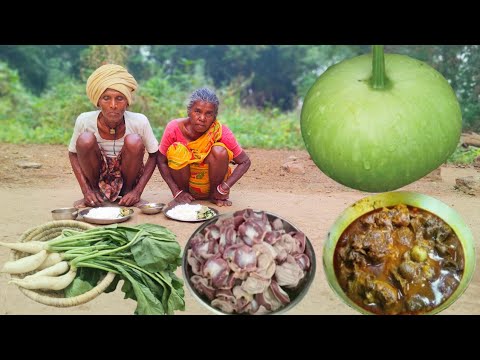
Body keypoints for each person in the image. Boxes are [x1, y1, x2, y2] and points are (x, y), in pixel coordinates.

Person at [68, 64, 159, 207]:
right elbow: (73, 153)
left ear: (127, 102)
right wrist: (86, 191)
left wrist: (137, 192)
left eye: (119, 98)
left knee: (134, 141)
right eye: (106, 98)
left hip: (129, 177)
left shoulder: (139, 121)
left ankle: (128, 194)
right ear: (98, 101)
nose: (113, 105)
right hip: (97, 180)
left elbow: (154, 155)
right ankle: (94, 194)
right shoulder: (84, 120)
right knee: (85, 140)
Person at [157, 87, 251, 206]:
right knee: (177, 150)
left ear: (214, 117)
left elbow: (245, 162)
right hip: (184, 188)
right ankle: (184, 195)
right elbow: (160, 160)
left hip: (212, 189)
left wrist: (223, 189)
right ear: (189, 111)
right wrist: (176, 192)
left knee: (219, 151)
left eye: (208, 114)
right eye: (197, 111)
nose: (202, 118)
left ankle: (213, 195)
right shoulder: (173, 128)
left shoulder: (220, 131)